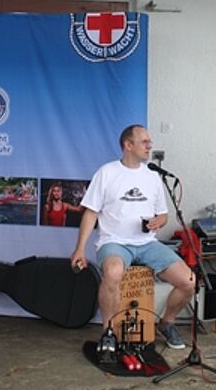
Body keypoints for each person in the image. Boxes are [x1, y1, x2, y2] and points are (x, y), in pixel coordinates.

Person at [70, 125, 194, 349]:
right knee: (113, 272)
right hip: (114, 242)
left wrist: (159, 221)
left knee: (189, 281)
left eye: (150, 141)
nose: (150, 146)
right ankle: (108, 331)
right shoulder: (106, 173)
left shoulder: (153, 176)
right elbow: (90, 213)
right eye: (144, 142)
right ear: (128, 145)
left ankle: (167, 323)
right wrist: (79, 249)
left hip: (147, 243)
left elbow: (163, 214)